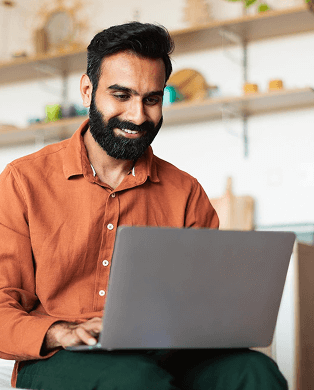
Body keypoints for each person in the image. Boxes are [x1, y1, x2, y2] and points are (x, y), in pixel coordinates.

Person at [0, 22, 287, 390]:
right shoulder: (23, 181)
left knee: (253, 370)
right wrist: (62, 332)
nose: (138, 116)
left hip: (163, 352)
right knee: (137, 379)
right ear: (88, 90)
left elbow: (206, 302)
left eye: (151, 99)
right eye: (121, 95)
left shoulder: (185, 192)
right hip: (62, 355)